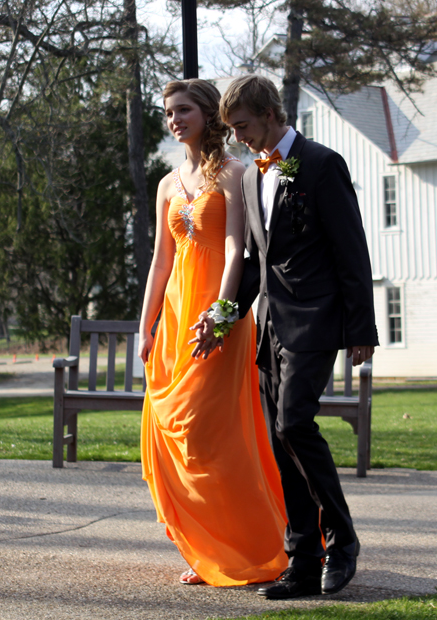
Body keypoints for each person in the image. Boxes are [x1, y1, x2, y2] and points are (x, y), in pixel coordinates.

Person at [197, 74, 378, 599]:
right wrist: (225, 314)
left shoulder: (322, 166)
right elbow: (258, 260)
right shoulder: (252, 177)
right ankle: (302, 560)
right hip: (271, 325)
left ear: (272, 114)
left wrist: (360, 328)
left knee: (294, 422)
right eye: (231, 129)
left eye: (243, 126)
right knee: (280, 439)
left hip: (317, 321)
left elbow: (352, 251)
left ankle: (342, 541)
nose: (237, 138)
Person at [137, 78, 288, 587]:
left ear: (207, 113)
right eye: (167, 113)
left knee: (212, 437)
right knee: (173, 434)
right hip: (176, 318)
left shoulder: (233, 172)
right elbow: (160, 262)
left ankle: (256, 545)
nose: (174, 120)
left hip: (216, 316)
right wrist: (146, 325)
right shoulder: (165, 184)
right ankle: (206, 549)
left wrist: (222, 315)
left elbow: (234, 251)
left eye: (183, 110)